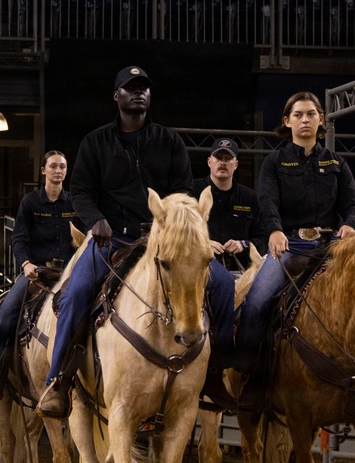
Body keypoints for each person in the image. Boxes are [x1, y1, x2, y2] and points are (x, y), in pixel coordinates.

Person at [38, 66, 238, 419]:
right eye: (129, 88)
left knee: (221, 286)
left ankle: (214, 375)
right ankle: (59, 380)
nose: (138, 93)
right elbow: (82, 191)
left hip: (160, 241)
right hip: (110, 239)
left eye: (143, 88)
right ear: (116, 96)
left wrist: (177, 224)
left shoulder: (169, 141)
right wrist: (95, 220)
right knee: (75, 291)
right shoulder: (95, 142)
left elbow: (184, 192)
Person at [233, 91, 355, 400]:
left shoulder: (336, 163)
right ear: (287, 121)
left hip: (331, 247)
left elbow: (353, 204)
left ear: (321, 120)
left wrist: (350, 223)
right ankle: (247, 369)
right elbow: (267, 201)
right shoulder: (273, 162)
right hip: (290, 245)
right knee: (256, 300)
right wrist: (273, 230)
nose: (305, 119)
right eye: (298, 114)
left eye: (311, 114)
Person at [0, 150, 82, 401]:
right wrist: (25, 264)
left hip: (67, 275)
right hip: (37, 273)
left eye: (63, 167)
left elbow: (84, 236)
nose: (58, 171)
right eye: (53, 166)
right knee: (7, 312)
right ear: (43, 171)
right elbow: (19, 238)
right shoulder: (30, 203)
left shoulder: (74, 203)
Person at [191, 137, 266, 276]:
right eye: (218, 158)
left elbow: (262, 239)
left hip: (241, 273)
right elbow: (178, 235)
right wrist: (203, 244)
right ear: (209, 162)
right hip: (199, 270)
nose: (222, 163)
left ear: (236, 164)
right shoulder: (192, 192)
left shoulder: (249, 197)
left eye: (228, 158)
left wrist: (243, 245)